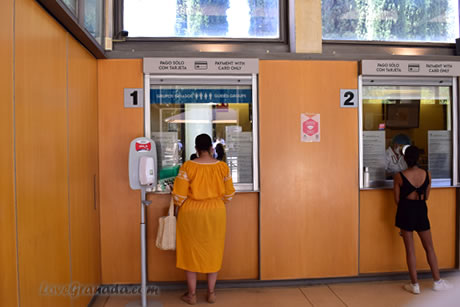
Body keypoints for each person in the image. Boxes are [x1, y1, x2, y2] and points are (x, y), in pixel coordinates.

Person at [172, 134, 235, 305]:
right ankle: (211, 293)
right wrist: (216, 201)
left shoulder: (188, 167)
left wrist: (180, 204)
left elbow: (178, 196)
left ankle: (192, 295)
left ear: (196, 149)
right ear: (211, 148)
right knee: (213, 250)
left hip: (191, 213)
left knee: (190, 252)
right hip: (216, 212)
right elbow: (229, 194)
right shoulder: (222, 167)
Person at [393, 145, 452, 294]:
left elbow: (397, 199)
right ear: (418, 158)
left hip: (405, 211)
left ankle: (415, 285)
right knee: (429, 247)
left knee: (410, 250)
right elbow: (426, 196)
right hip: (421, 210)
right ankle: (437, 281)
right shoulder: (427, 174)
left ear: (405, 159)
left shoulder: (399, 176)